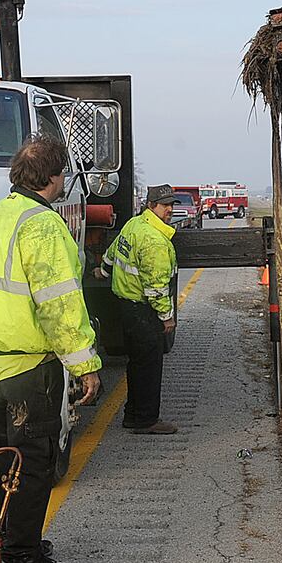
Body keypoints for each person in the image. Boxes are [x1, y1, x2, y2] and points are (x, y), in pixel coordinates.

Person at [0, 135, 101, 563]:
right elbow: (59, 304)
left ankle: (12, 539)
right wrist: (85, 364)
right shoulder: (41, 224)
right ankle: (22, 555)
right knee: (34, 461)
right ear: (56, 177)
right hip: (29, 363)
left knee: (7, 458)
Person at [98, 184, 179, 435]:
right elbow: (156, 287)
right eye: (165, 205)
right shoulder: (154, 240)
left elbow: (112, 254)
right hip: (144, 312)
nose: (170, 210)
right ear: (151, 205)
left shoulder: (134, 225)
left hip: (127, 307)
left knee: (136, 364)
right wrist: (167, 317)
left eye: (172, 205)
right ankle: (145, 420)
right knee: (149, 367)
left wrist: (102, 271)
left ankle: (132, 415)